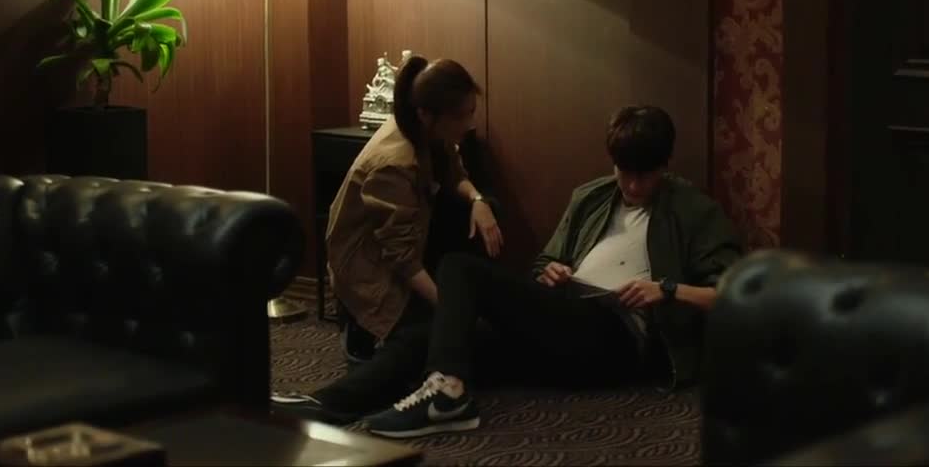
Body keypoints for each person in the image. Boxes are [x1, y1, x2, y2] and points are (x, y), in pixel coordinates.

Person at [362, 105, 743, 438]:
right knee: (429, 340)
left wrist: (666, 289)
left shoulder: (693, 211)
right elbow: (543, 264)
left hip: (617, 337)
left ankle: (446, 398)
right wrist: (552, 272)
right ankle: (335, 403)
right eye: (623, 171)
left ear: (664, 165)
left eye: (643, 176)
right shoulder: (592, 196)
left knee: (459, 267)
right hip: (562, 326)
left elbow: (734, 294)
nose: (631, 185)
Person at [272, 55, 504, 423]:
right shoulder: (393, 162)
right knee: (428, 338)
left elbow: (453, 172)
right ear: (428, 115)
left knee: (462, 339)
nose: (468, 123)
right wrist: (451, 310)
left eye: (470, 113)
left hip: (405, 251)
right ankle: (325, 402)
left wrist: (478, 201)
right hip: (368, 268)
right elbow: (402, 259)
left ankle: (361, 376)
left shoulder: (429, 132)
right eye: (461, 116)